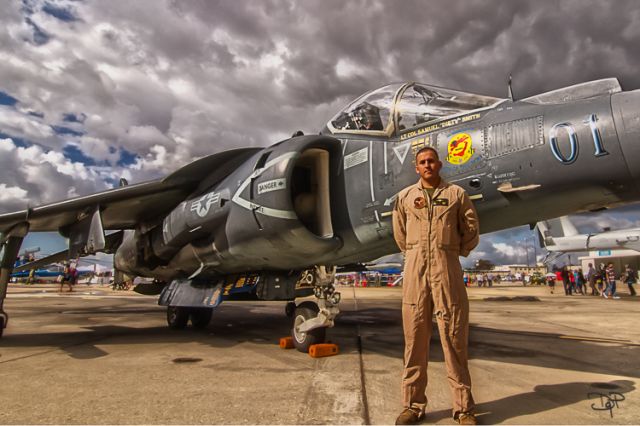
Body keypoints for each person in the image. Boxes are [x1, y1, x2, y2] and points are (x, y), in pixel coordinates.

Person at [393, 146, 480, 425]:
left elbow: (471, 229)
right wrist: (417, 252)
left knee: (454, 340)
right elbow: (400, 234)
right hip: (415, 275)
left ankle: (463, 408)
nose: (427, 165)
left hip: (447, 273)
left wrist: (450, 252)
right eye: (422, 162)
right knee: (414, 340)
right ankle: (412, 405)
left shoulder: (456, 195)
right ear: (416, 168)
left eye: (431, 161)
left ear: (439, 165)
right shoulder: (406, 198)